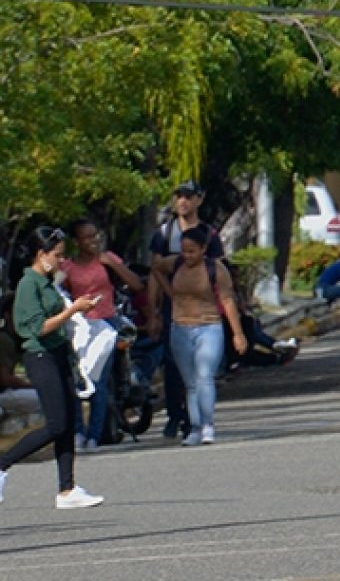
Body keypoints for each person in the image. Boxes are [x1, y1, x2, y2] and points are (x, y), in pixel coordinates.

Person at [0, 226, 106, 509]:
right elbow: (38, 328)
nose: (61, 261)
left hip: (59, 355)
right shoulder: (28, 285)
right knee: (56, 423)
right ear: (40, 253)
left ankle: (67, 489)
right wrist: (72, 310)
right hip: (40, 357)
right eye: (57, 255)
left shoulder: (48, 282)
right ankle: (2, 465)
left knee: (69, 420)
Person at [152, 227, 247, 446]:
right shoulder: (175, 264)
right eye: (184, 251)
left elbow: (228, 300)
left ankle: (207, 425)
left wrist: (238, 333)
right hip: (181, 327)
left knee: (205, 376)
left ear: (204, 249)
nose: (187, 256)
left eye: (192, 251)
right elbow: (156, 268)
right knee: (191, 382)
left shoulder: (216, 269)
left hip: (209, 326)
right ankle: (194, 427)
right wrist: (170, 293)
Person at [61, 218, 144, 451]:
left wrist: (113, 264)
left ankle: (95, 434)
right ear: (76, 241)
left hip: (105, 323)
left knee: (98, 379)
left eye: (95, 235)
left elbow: (136, 284)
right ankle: (78, 430)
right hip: (80, 326)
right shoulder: (67, 267)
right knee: (78, 378)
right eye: (87, 237)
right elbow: (59, 294)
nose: (93, 241)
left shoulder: (108, 260)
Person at [149, 181, 219, 440]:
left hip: (204, 310)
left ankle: (201, 420)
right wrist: (154, 310)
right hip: (173, 310)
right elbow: (155, 272)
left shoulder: (208, 235)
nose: (182, 202)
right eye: (178, 196)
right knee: (173, 364)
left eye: (188, 196)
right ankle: (176, 415)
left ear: (199, 200)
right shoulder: (164, 234)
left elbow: (219, 271)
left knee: (202, 367)